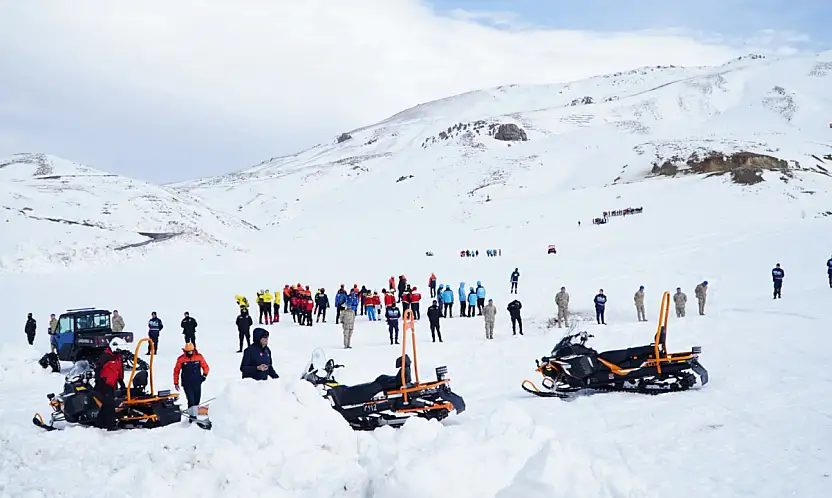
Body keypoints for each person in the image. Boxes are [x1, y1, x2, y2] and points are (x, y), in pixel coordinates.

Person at [94, 338, 127, 430]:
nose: (120, 353)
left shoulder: (118, 358)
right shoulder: (105, 357)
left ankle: (99, 423)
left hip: (113, 384)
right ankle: (110, 425)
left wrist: (121, 381)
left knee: (107, 404)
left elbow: (119, 370)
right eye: (119, 350)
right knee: (109, 404)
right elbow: (97, 369)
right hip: (103, 384)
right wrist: (99, 380)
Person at [173, 343, 210, 408]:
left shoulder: (199, 357)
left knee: (196, 401)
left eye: (191, 351)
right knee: (191, 401)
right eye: (188, 351)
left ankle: (194, 414)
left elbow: (206, 367)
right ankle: (192, 416)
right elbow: (176, 371)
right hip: (187, 383)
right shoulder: (181, 359)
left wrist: (204, 375)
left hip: (197, 382)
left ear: (193, 350)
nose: (190, 353)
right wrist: (176, 383)